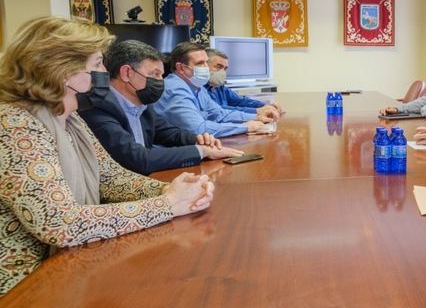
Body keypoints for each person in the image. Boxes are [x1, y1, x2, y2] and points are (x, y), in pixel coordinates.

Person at [0, 17, 215, 295]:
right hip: (24, 286)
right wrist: (168, 204)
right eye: (97, 64)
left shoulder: (70, 119)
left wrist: (176, 189)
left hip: (67, 267)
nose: (104, 72)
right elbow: (61, 224)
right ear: (63, 70)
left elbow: (111, 178)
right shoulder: (15, 126)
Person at [79, 40, 244, 175]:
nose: (160, 81)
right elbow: (138, 159)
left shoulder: (142, 103)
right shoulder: (98, 108)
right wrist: (201, 151)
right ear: (127, 73)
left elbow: (168, 133)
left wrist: (198, 139)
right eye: (154, 74)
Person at [154, 42, 270, 137]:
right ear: (181, 68)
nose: (205, 67)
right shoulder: (174, 89)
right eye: (200, 63)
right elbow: (199, 129)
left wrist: (256, 117)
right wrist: (245, 127)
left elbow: (219, 114)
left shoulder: (196, 86)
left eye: (206, 62)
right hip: (174, 151)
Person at [206, 48, 284, 117]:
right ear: (204, 65)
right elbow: (219, 110)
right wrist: (257, 111)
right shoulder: (199, 89)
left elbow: (241, 101)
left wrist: (265, 105)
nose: (222, 72)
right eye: (218, 67)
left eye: (225, 68)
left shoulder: (220, 87)